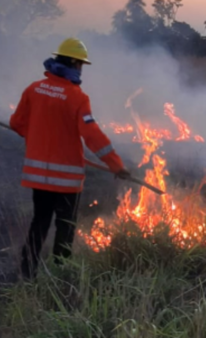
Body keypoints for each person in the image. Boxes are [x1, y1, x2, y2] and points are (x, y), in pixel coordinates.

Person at [10, 38, 131, 279]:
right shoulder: (77, 97)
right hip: (67, 181)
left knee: (40, 222)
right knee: (65, 227)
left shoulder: (33, 89)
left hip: (38, 179)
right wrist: (116, 165)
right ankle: (61, 275)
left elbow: (16, 124)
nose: (81, 70)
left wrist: (38, 137)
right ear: (74, 64)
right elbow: (92, 136)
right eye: (81, 65)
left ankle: (27, 272)